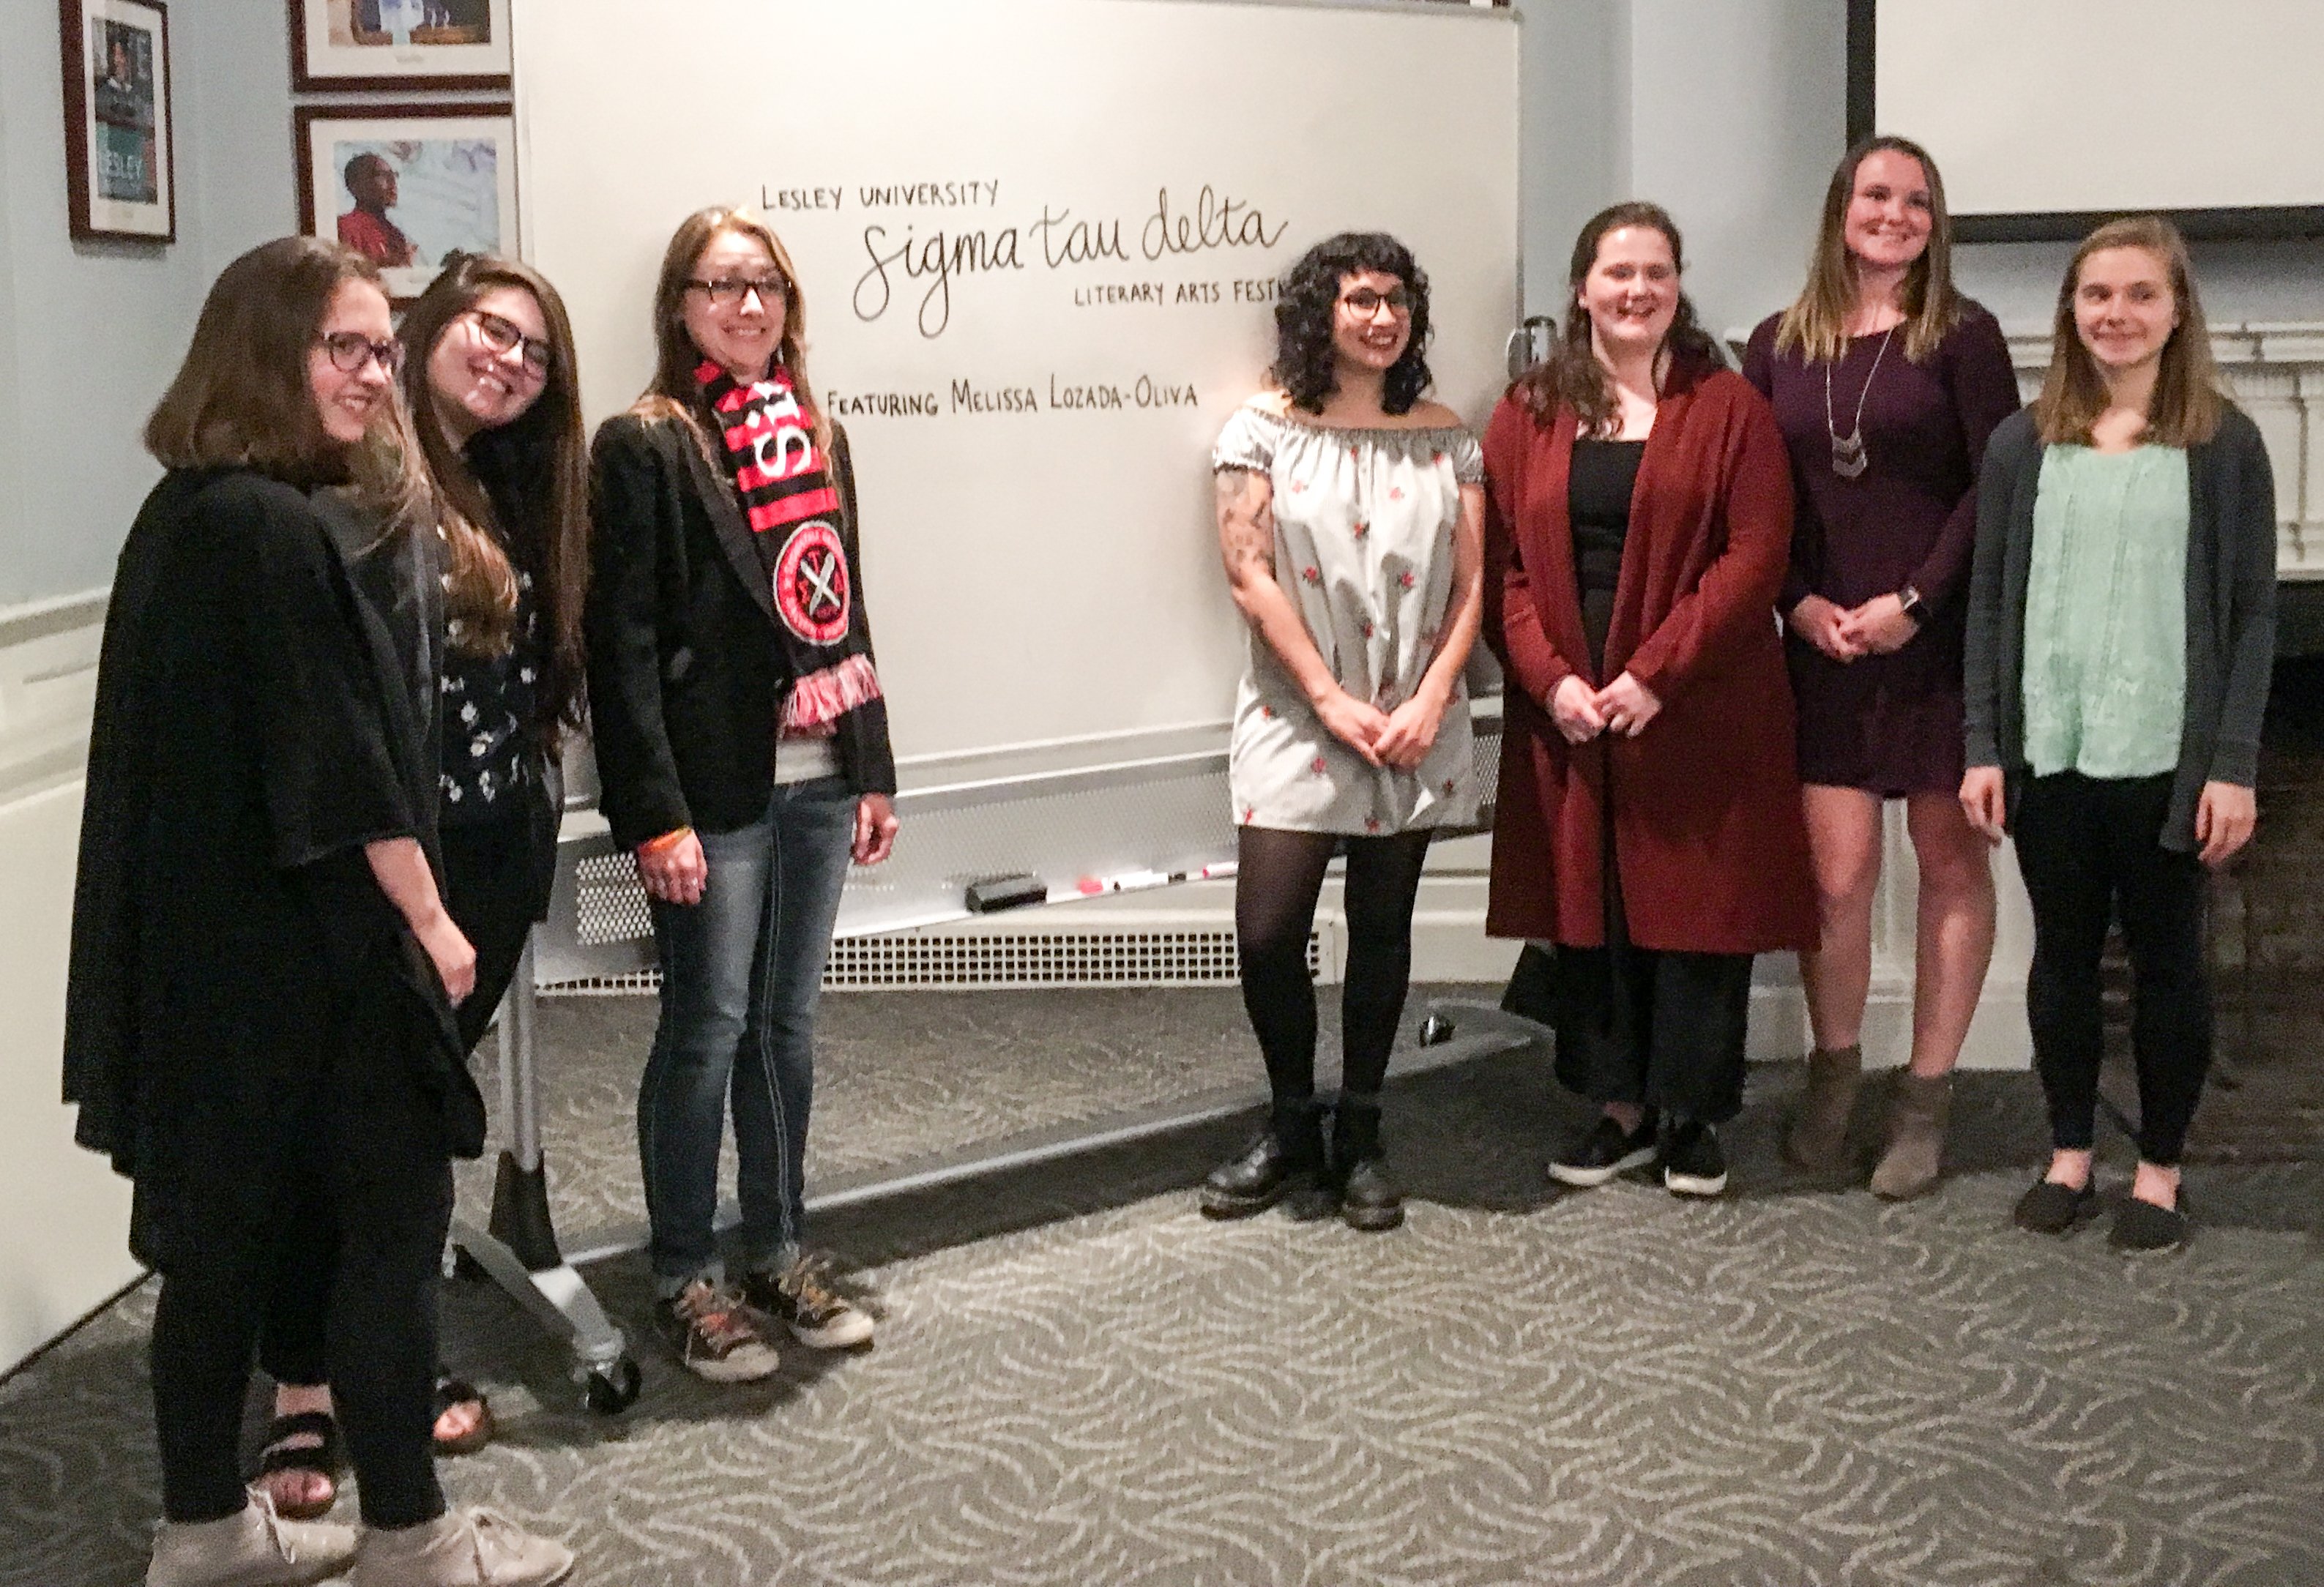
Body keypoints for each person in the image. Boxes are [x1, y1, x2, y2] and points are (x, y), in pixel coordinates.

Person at [61, 236, 570, 1587]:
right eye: (343, 347)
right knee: (391, 1233)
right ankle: (411, 1532)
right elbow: (345, 774)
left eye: (377, 346)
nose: (372, 372)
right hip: (318, 964)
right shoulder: (277, 531)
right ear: (268, 355)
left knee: (215, 1250)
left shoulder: (183, 513)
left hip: (210, 971)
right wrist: (442, 930)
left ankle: (206, 1530)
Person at [253, 252, 591, 1518]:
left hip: (496, 842)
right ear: (432, 324)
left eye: (537, 352)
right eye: (492, 332)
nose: (510, 360)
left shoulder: (507, 482)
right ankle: (300, 1380)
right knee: (337, 1125)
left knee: (404, 1128)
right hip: (387, 854)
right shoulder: (350, 473)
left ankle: (385, 1352)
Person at [588, 206, 898, 1378]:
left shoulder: (818, 428)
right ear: (680, 306)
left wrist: (870, 764)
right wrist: (653, 815)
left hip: (817, 780)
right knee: (706, 1027)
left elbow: (843, 602)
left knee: (786, 1028)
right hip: (712, 791)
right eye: (721, 286)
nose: (748, 305)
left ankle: (775, 1247)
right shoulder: (644, 443)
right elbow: (618, 647)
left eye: (765, 284)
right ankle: (682, 1273)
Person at [1483, 202, 1816, 1200]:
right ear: (1580, 287)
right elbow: (1496, 567)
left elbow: (1753, 559)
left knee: (1695, 912)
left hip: (1699, 696)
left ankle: (1690, 1118)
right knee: (1596, 907)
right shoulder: (1528, 410)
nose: (1637, 291)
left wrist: (1651, 676)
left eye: (1655, 273)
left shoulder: (1728, 407)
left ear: (1678, 287)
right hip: (1572, 701)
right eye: (1617, 272)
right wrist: (1554, 682)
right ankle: (1615, 1109)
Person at [1963, 215, 2275, 1252]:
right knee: (2058, 959)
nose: (2116, 314)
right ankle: (2065, 1152)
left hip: (2166, 762)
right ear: (2069, 313)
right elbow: (1988, 608)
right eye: (2096, 295)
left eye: (2139, 294)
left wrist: (2229, 766)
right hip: (2048, 752)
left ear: (2175, 309)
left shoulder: (2223, 445)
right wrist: (1982, 744)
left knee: (2166, 966)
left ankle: (2158, 1167)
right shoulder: (2021, 442)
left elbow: (2250, 616)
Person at [1743, 136, 2024, 1198]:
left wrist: (1917, 603)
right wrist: (1798, 603)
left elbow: (1997, 486)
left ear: (1934, 222)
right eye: (1875, 194)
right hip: (1823, 645)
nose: (1895, 214)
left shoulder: (1964, 335)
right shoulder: (1776, 342)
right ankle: (1832, 1079)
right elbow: (1754, 500)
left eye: (1917, 200)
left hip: (1939, 643)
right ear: (1839, 208)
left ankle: (1925, 1099)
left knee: (1950, 865)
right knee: (1834, 879)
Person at [1200, 231, 1483, 1233]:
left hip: (1411, 716)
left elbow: (1473, 583)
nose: (1380, 316)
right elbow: (1248, 575)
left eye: (1396, 300)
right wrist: (1326, 697)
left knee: (1383, 927)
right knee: (1269, 934)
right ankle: (1291, 1125)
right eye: (1360, 298)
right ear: (1320, 311)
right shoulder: (1259, 431)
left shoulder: (1447, 436)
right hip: (1297, 710)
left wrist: (1430, 696)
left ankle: (1360, 1128)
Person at [338, 153, 417, 270]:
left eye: (393, 175)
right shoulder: (345, 228)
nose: (393, 183)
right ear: (356, 185)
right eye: (382, 175)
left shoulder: (395, 235)